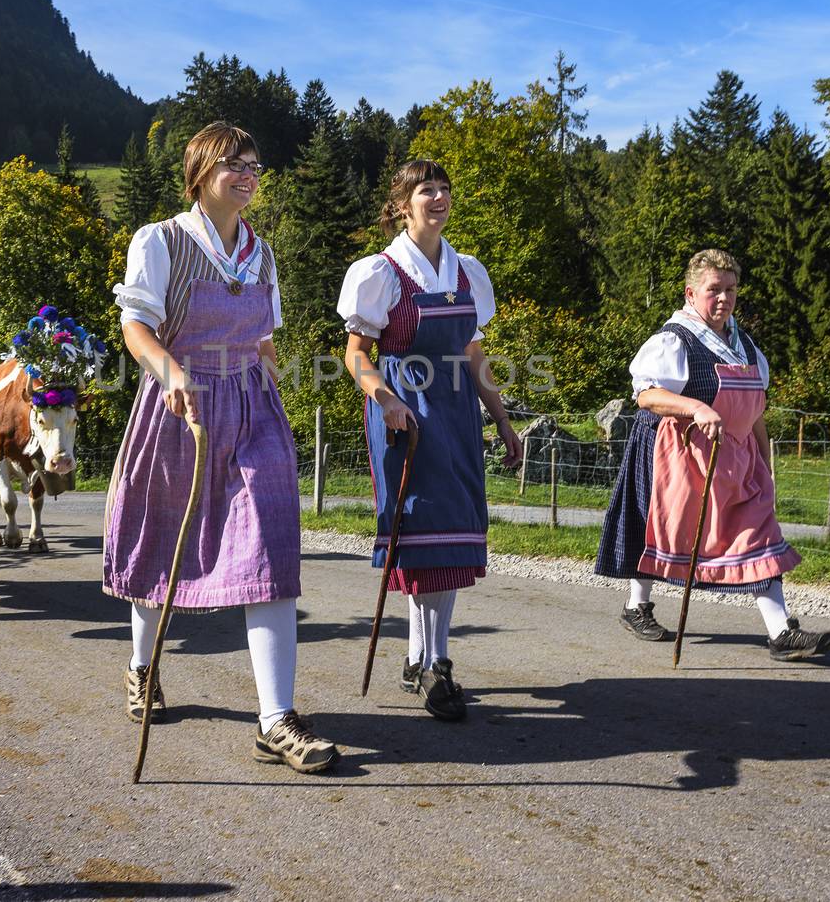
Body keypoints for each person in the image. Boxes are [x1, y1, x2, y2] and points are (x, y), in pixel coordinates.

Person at [105, 121, 338, 774]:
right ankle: (142, 666)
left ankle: (276, 720)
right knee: (163, 549)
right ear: (200, 171)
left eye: (255, 163)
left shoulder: (261, 256)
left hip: (251, 405)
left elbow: (264, 340)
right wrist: (170, 372)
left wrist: (276, 405)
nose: (248, 173)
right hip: (180, 405)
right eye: (234, 162)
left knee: (270, 549)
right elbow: (136, 325)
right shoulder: (162, 242)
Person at [337, 159, 522, 720]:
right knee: (421, 533)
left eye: (444, 189)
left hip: (458, 414)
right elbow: (356, 354)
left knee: (452, 538)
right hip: (406, 413)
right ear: (402, 204)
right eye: (426, 190)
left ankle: (423, 657)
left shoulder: (468, 271)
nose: (438, 198)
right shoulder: (381, 272)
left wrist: (503, 419)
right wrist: (384, 399)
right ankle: (436, 664)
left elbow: (471, 353)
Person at [596, 249, 830, 660]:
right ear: (691, 293)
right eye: (714, 290)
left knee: (758, 531)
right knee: (657, 528)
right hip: (676, 455)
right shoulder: (676, 339)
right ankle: (636, 605)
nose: (723, 298)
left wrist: (764, 462)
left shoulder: (743, 346)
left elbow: (755, 410)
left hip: (736, 460)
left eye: (730, 289)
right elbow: (647, 395)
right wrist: (697, 407)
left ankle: (781, 632)